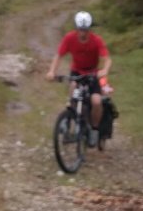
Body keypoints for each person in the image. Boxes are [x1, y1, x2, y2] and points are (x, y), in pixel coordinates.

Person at [45, 11, 112, 143]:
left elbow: (107, 58)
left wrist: (104, 70)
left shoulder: (96, 40)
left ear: (89, 29)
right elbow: (59, 56)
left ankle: (94, 129)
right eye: (81, 30)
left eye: (86, 30)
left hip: (93, 74)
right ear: (76, 28)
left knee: (97, 101)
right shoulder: (69, 38)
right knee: (73, 93)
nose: (83, 33)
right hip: (77, 72)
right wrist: (52, 71)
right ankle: (71, 119)